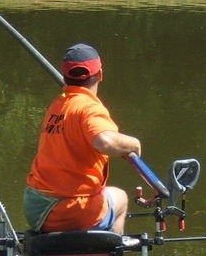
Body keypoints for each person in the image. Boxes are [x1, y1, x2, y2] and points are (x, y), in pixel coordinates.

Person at [23, 43, 142, 235]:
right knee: (120, 198)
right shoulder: (89, 108)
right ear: (100, 74)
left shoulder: (58, 105)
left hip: (36, 207)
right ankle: (110, 255)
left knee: (103, 193)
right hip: (66, 211)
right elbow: (105, 141)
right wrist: (134, 144)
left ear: (65, 76)